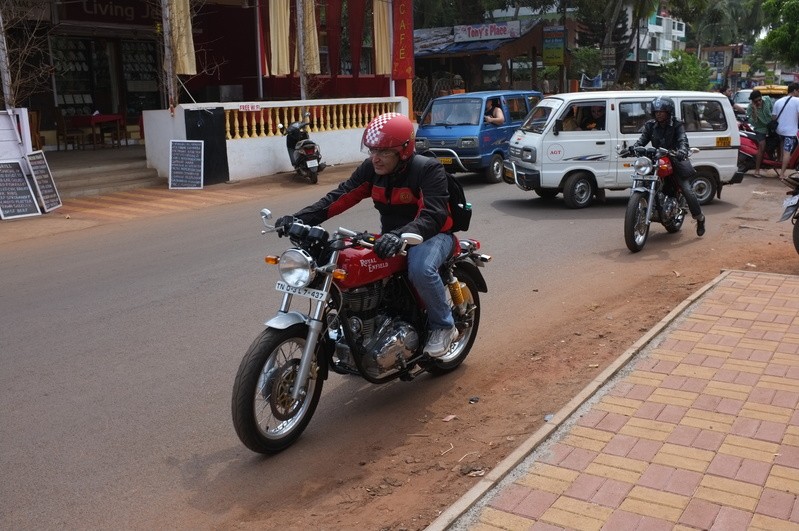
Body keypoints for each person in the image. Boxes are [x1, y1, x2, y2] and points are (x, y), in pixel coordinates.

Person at [274, 113, 459, 358]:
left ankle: (443, 326)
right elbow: (340, 197)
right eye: (372, 150)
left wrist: (401, 235)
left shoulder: (427, 170)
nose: (375, 158)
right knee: (347, 263)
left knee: (421, 269)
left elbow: (432, 215)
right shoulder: (371, 170)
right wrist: (299, 218)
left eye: (383, 152)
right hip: (391, 236)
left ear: (404, 151)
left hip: (431, 236)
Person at [629, 96, 706, 237]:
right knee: (642, 178)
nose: (658, 113)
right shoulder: (650, 125)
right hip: (656, 159)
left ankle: (699, 218)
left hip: (675, 158)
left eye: (662, 111)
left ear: (668, 111)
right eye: (656, 111)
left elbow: (683, 139)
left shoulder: (677, 124)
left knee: (687, 189)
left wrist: (682, 150)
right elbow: (641, 141)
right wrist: (633, 148)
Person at [772, 82, 799, 180]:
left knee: (782, 151)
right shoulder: (797, 101)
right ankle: (782, 174)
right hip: (790, 132)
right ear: (795, 90)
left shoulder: (778, 101)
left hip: (779, 131)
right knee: (787, 152)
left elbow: (774, 117)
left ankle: (780, 167)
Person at [745, 89, 774, 178]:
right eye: (756, 101)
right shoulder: (750, 108)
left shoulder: (767, 100)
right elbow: (753, 122)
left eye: (759, 100)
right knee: (762, 146)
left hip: (771, 127)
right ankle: (757, 170)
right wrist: (754, 110)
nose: (758, 102)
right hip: (760, 129)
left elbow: (773, 112)